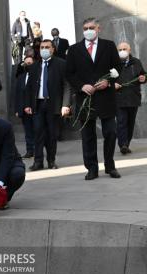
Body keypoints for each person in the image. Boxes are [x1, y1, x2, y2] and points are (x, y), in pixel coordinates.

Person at [66, 17, 122, 180]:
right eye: (85, 28)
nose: (88, 31)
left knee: (110, 132)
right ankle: (91, 168)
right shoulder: (74, 49)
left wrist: (108, 81)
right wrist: (82, 86)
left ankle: (110, 166)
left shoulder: (109, 46)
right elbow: (69, 73)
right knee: (88, 135)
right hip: (85, 98)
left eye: (91, 27)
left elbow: (117, 67)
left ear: (99, 28)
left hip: (106, 97)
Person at [25, 39, 72, 170]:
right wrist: (27, 104)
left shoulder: (61, 64)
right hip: (38, 104)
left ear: (53, 49)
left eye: (47, 47)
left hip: (54, 104)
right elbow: (29, 87)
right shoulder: (34, 66)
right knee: (38, 133)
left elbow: (67, 85)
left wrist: (66, 105)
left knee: (52, 135)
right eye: (42, 47)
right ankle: (38, 162)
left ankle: (51, 161)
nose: (44, 49)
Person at [114, 42, 146, 154]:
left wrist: (143, 78)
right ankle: (122, 144)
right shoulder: (114, 63)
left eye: (124, 49)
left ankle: (126, 144)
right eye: (120, 49)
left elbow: (143, 75)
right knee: (121, 122)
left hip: (133, 97)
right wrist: (113, 84)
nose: (122, 51)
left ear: (129, 50)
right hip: (119, 97)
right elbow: (108, 77)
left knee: (130, 122)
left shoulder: (136, 62)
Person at [15, 55, 35, 158]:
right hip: (24, 110)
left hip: (35, 109)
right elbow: (17, 94)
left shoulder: (38, 75)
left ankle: (38, 150)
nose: (28, 65)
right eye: (26, 63)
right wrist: (17, 109)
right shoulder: (20, 78)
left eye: (30, 63)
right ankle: (29, 151)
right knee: (28, 132)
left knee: (37, 130)